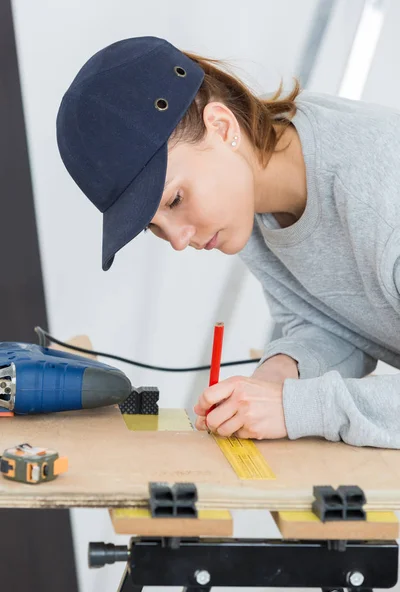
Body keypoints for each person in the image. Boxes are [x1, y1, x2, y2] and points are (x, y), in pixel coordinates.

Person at [56, 36, 400, 450]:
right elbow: (337, 322)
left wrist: (299, 407)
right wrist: (280, 375)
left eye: (176, 200)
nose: (179, 240)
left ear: (221, 127)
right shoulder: (252, 198)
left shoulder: (381, 189)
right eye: (154, 226)